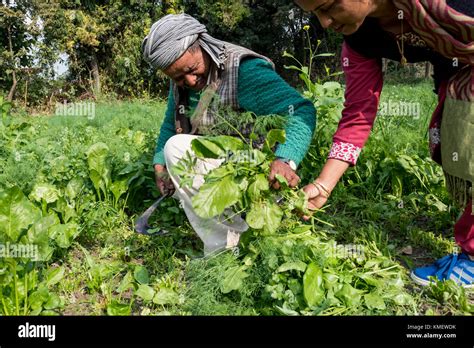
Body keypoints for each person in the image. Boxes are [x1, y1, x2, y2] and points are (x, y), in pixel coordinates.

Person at [294, 0, 473, 287]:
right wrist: (323, 185)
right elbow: (357, 114)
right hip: (455, 78)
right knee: (455, 134)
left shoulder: (457, 5)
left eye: (329, 6)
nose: (325, 22)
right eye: (315, 13)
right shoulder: (359, 38)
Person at [141, 13, 316, 255]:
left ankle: (241, 234)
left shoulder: (243, 70)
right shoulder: (180, 83)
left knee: (177, 149)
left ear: (202, 45)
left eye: (192, 70)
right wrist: (160, 166)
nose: (190, 81)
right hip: (225, 169)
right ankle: (223, 246)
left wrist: (285, 159)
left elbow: (299, 110)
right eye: (178, 77)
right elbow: (171, 125)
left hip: (260, 173)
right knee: (173, 148)